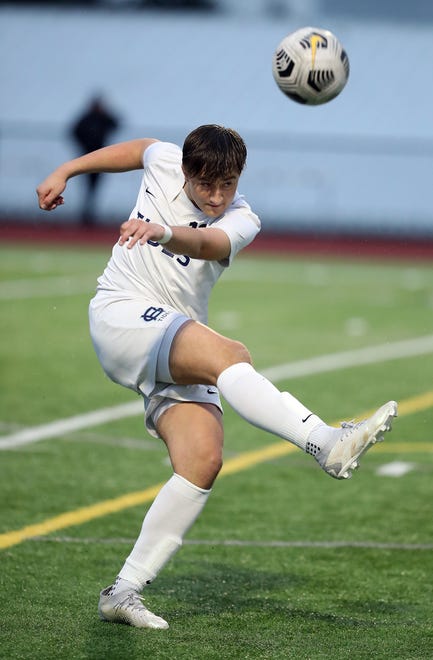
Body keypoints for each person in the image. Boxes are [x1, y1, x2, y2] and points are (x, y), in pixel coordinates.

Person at [36, 125, 397, 631]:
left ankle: (123, 591)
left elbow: (207, 244)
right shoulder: (164, 161)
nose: (217, 196)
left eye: (227, 184)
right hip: (122, 314)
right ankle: (325, 443)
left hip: (172, 337)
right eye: (207, 185)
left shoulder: (243, 217)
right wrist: (66, 169)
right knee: (231, 352)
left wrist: (163, 233)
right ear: (185, 171)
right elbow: (137, 149)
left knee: (202, 460)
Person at [70, 96, 119, 226]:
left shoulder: (103, 118)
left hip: (101, 157)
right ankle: (86, 214)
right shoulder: (86, 119)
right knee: (87, 186)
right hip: (87, 157)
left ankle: (90, 213)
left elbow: (116, 123)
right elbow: (74, 132)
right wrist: (84, 145)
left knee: (95, 186)